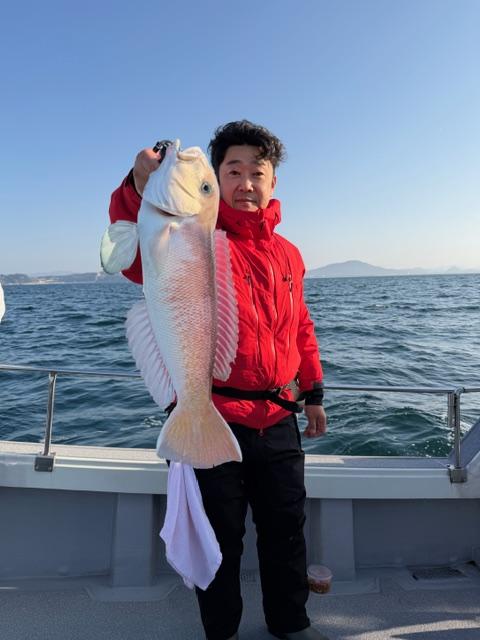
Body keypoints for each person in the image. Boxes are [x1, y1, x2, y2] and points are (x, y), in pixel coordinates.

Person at [109, 120, 329, 640]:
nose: (246, 183)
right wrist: (137, 185)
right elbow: (134, 256)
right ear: (218, 178)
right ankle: (221, 632)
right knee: (219, 536)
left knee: (287, 530)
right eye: (232, 171)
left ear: (273, 182)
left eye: (258, 172)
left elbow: (300, 324)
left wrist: (313, 391)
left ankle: (291, 625)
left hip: (278, 417)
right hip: (215, 414)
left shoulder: (289, 254)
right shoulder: (198, 234)